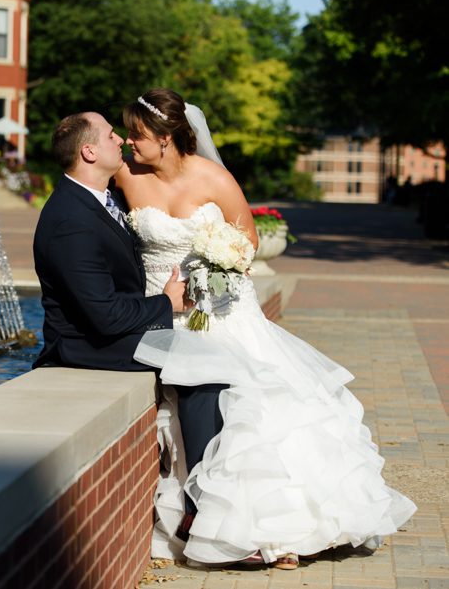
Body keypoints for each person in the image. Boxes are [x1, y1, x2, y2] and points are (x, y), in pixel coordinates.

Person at [116, 88, 416, 569]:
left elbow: (246, 242)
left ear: (167, 137)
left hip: (220, 310)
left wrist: (214, 268)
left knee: (256, 413)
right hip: (158, 311)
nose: (130, 142)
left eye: (138, 134)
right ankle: (219, 520)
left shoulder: (213, 177)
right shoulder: (125, 174)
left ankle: (278, 530)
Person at [32, 112, 187, 370]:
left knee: (213, 349)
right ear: (89, 152)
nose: (121, 140)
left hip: (118, 336)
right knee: (204, 367)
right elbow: (107, 316)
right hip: (90, 347)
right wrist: (167, 303)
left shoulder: (107, 198)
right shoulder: (70, 223)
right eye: (111, 135)